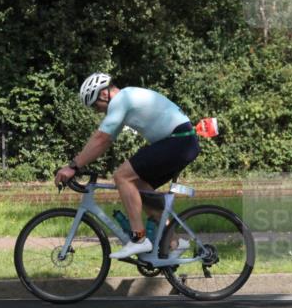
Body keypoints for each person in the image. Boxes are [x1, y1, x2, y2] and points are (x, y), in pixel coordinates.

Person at [53, 73, 200, 259]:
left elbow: (101, 138)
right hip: (181, 143)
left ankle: (139, 239)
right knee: (139, 188)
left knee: (122, 176)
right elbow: (104, 141)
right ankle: (174, 243)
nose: (97, 111)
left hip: (179, 141)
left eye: (96, 106)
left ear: (104, 94)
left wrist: (73, 167)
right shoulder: (126, 100)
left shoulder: (122, 100)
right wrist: (78, 165)